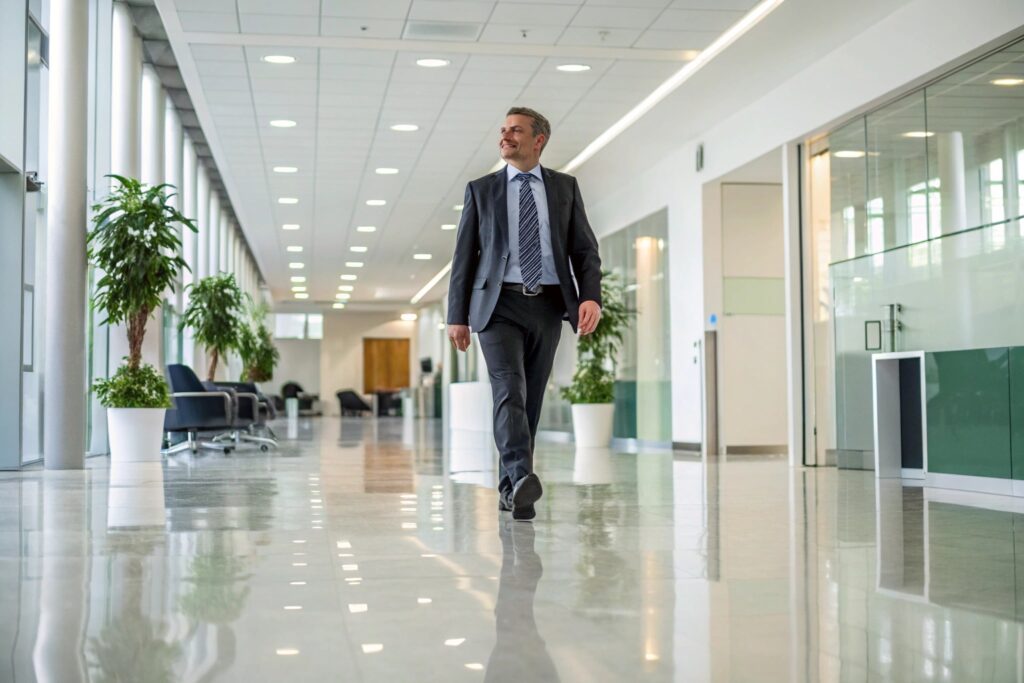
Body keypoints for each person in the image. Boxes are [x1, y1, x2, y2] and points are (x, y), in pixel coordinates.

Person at [447, 107, 603, 521]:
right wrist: (456, 315)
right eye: (502, 130)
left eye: (516, 130)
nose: (505, 136)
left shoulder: (564, 187)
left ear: (539, 140)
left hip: (549, 304)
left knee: (530, 399)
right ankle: (520, 477)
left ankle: (510, 490)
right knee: (509, 389)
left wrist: (591, 297)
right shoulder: (482, 190)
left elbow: (584, 250)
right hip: (498, 304)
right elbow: (464, 257)